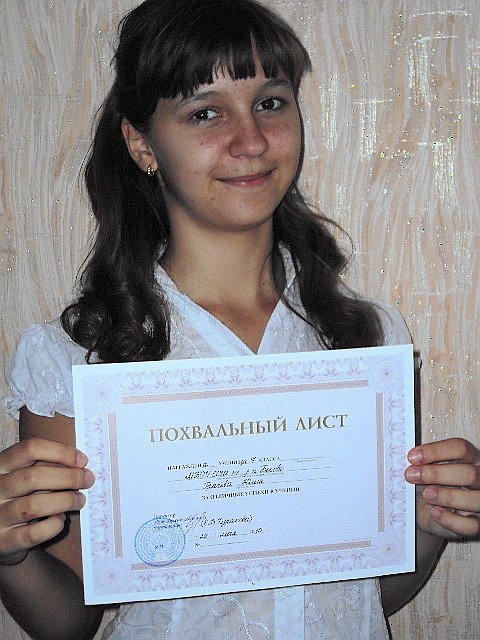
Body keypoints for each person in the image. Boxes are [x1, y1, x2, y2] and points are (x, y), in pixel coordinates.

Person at [1, 0, 479, 638]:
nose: (251, 141)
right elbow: (68, 624)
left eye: (270, 103)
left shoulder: (364, 340)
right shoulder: (73, 358)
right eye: (206, 112)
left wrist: (427, 522)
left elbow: (363, 597)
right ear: (141, 143)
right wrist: (11, 553)